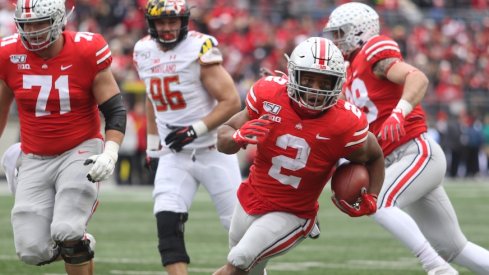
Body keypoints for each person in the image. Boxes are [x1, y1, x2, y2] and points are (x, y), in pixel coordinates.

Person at [323, 2, 489, 274]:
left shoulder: (373, 50)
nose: (337, 39)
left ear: (360, 30)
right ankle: (443, 263)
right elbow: (336, 114)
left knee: (379, 202)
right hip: (395, 161)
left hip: (415, 152)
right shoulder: (349, 70)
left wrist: (399, 113)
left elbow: (417, 78)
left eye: (341, 32)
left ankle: (437, 269)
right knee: (454, 248)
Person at [213, 37, 385, 275]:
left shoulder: (344, 123)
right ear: (293, 75)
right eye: (309, 79)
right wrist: (236, 138)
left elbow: (375, 156)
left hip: (293, 213)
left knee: (239, 261)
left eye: (325, 83)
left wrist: (373, 196)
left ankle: (308, 225)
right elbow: (223, 138)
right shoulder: (268, 94)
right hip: (250, 197)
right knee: (250, 270)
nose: (315, 90)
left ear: (337, 84)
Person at [0, 0, 126, 274]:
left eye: (39, 23)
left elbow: (114, 108)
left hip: (79, 149)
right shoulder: (8, 53)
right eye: (27, 24)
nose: (32, 31)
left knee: (67, 228)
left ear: (58, 20)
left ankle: (74, 242)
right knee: (31, 250)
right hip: (34, 156)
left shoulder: (86, 49)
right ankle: (79, 246)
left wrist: (110, 152)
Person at [132, 0, 242, 274]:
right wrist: (152, 147)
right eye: (161, 22)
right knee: (167, 223)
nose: (167, 27)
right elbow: (151, 97)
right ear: (151, 23)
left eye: (173, 21)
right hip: (174, 154)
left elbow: (230, 101)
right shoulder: (143, 50)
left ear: (184, 21)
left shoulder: (199, 47)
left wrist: (195, 130)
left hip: (213, 150)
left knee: (240, 229)